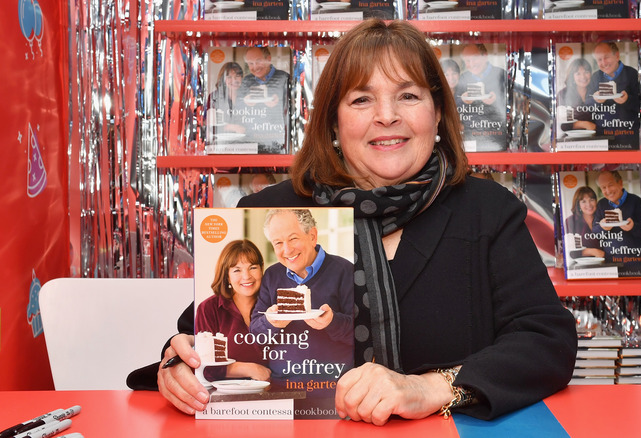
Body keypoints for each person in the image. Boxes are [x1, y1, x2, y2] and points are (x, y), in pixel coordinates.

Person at [156, 19, 576, 424]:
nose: (387, 115)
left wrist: (432, 388)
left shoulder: (488, 209)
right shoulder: (272, 211)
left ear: (438, 113)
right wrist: (177, 364)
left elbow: (546, 341)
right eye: (361, 99)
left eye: (409, 96)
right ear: (333, 122)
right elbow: (200, 334)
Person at [250, 209, 353, 381]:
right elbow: (255, 335)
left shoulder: (345, 271)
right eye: (278, 243)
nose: (287, 250)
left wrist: (332, 322)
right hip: (281, 386)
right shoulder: (272, 275)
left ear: (312, 236)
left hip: (331, 387)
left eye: (293, 239)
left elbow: (362, 334)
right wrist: (271, 322)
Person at [195, 239, 271, 382]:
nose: (247, 276)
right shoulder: (209, 309)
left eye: (253, 267)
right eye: (237, 270)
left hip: (278, 394)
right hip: (226, 397)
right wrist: (251, 369)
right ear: (227, 276)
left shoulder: (274, 306)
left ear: (261, 269)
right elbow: (205, 367)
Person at [592, 170, 641, 274]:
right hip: (610, 263)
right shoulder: (601, 204)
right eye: (603, 187)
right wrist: (602, 227)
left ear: (620, 183)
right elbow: (594, 231)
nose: (607, 190)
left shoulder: (636, 201)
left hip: (635, 263)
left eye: (610, 185)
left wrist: (633, 227)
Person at [454, 43, 507, 151]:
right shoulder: (463, 78)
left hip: (497, 138)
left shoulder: (501, 75)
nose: (471, 64)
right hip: (470, 139)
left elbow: (515, 105)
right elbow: (453, 106)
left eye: (474, 59)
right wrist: (463, 101)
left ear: (485, 56)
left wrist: (497, 100)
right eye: (467, 61)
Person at [587, 42, 641, 148]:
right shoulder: (595, 77)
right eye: (599, 59)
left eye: (606, 57)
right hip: (601, 137)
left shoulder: (632, 74)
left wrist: (627, 100)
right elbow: (586, 104)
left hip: (628, 137)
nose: (603, 62)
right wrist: (595, 100)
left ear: (616, 55)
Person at [237, 46, 290, 152]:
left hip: (279, 144)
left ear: (268, 59)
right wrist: (244, 103)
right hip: (250, 144)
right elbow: (235, 111)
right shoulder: (246, 81)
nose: (255, 67)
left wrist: (279, 103)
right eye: (250, 63)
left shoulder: (284, 78)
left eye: (258, 61)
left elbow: (293, 110)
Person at [206, 61, 247, 137]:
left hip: (246, 142)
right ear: (223, 79)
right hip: (221, 143)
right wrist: (231, 127)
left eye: (237, 76)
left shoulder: (248, 97)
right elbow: (210, 126)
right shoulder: (214, 97)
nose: (234, 80)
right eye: (229, 77)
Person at [557, 57, 597, 132]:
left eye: (586, 72)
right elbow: (562, 124)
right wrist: (584, 124)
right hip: (571, 140)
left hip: (598, 137)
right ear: (572, 76)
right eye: (578, 73)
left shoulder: (596, 92)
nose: (583, 77)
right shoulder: (563, 94)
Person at [565, 186, 605, 258]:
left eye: (591, 200)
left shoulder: (603, 218)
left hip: (608, 262)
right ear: (578, 204)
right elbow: (570, 251)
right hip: (582, 265)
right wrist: (592, 251)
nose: (589, 205)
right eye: (583, 201)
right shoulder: (571, 221)